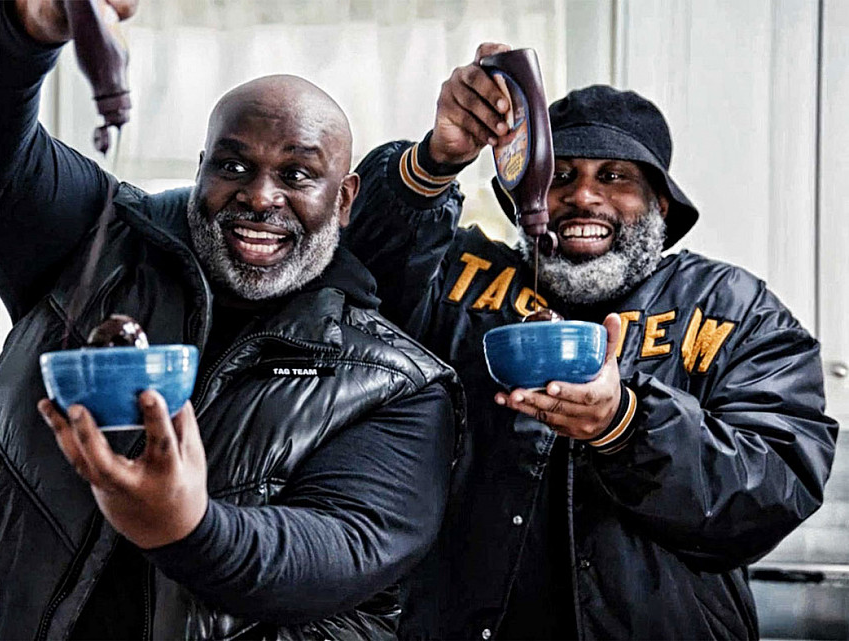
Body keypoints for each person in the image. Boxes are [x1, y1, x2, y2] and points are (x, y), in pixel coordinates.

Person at [0, 1, 464, 639]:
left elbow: (338, 552)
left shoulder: (397, 384)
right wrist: (22, 27)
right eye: (233, 166)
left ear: (344, 197)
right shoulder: (95, 239)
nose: (259, 196)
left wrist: (190, 528)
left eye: (297, 174)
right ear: (201, 166)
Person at [344, 44, 839, 640]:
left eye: (613, 176)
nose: (582, 196)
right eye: (560, 176)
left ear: (660, 203)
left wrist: (625, 424)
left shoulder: (734, 308)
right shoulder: (461, 279)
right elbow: (355, 277)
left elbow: (776, 488)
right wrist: (434, 162)